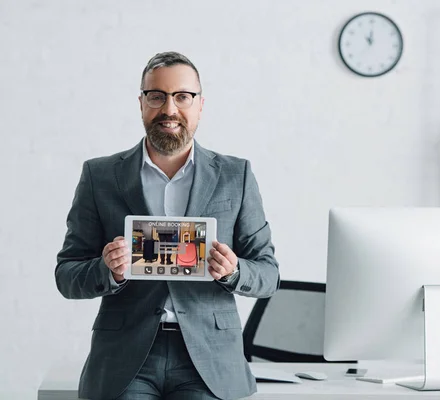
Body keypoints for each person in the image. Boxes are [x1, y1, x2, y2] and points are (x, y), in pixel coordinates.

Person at [55, 51, 280, 400]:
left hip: (209, 359)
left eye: (182, 97)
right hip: (125, 357)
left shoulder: (237, 176)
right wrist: (108, 270)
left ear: (200, 104)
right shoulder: (100, 176)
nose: (170, 109)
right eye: (157, 96)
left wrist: (235, 271)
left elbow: (268, 275)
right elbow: (67, 275)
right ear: (142, 103)